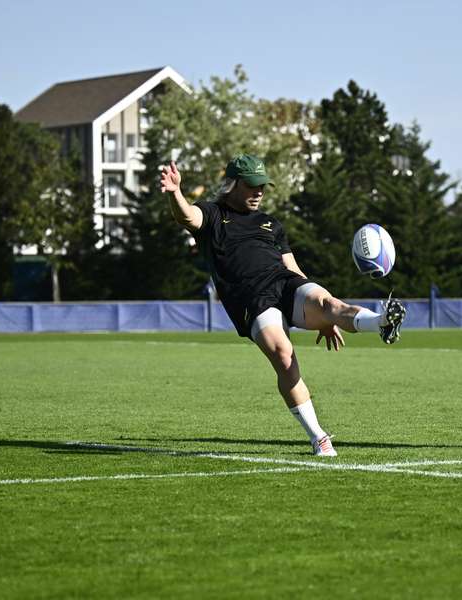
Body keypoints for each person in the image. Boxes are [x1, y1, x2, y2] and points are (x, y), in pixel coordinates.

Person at [160, 154, 406, 457]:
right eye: (252, 186)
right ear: (233, 184)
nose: (259, 192)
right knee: (284, 355)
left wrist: (324, 317)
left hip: (285, 282)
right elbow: (187, 216)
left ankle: (381, 321)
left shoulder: (270, 223)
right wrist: (175, 193)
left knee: (329, 303)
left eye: (262, 186)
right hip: (252, 298)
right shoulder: (213, 215)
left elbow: (294, 270)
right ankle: (318, 437)